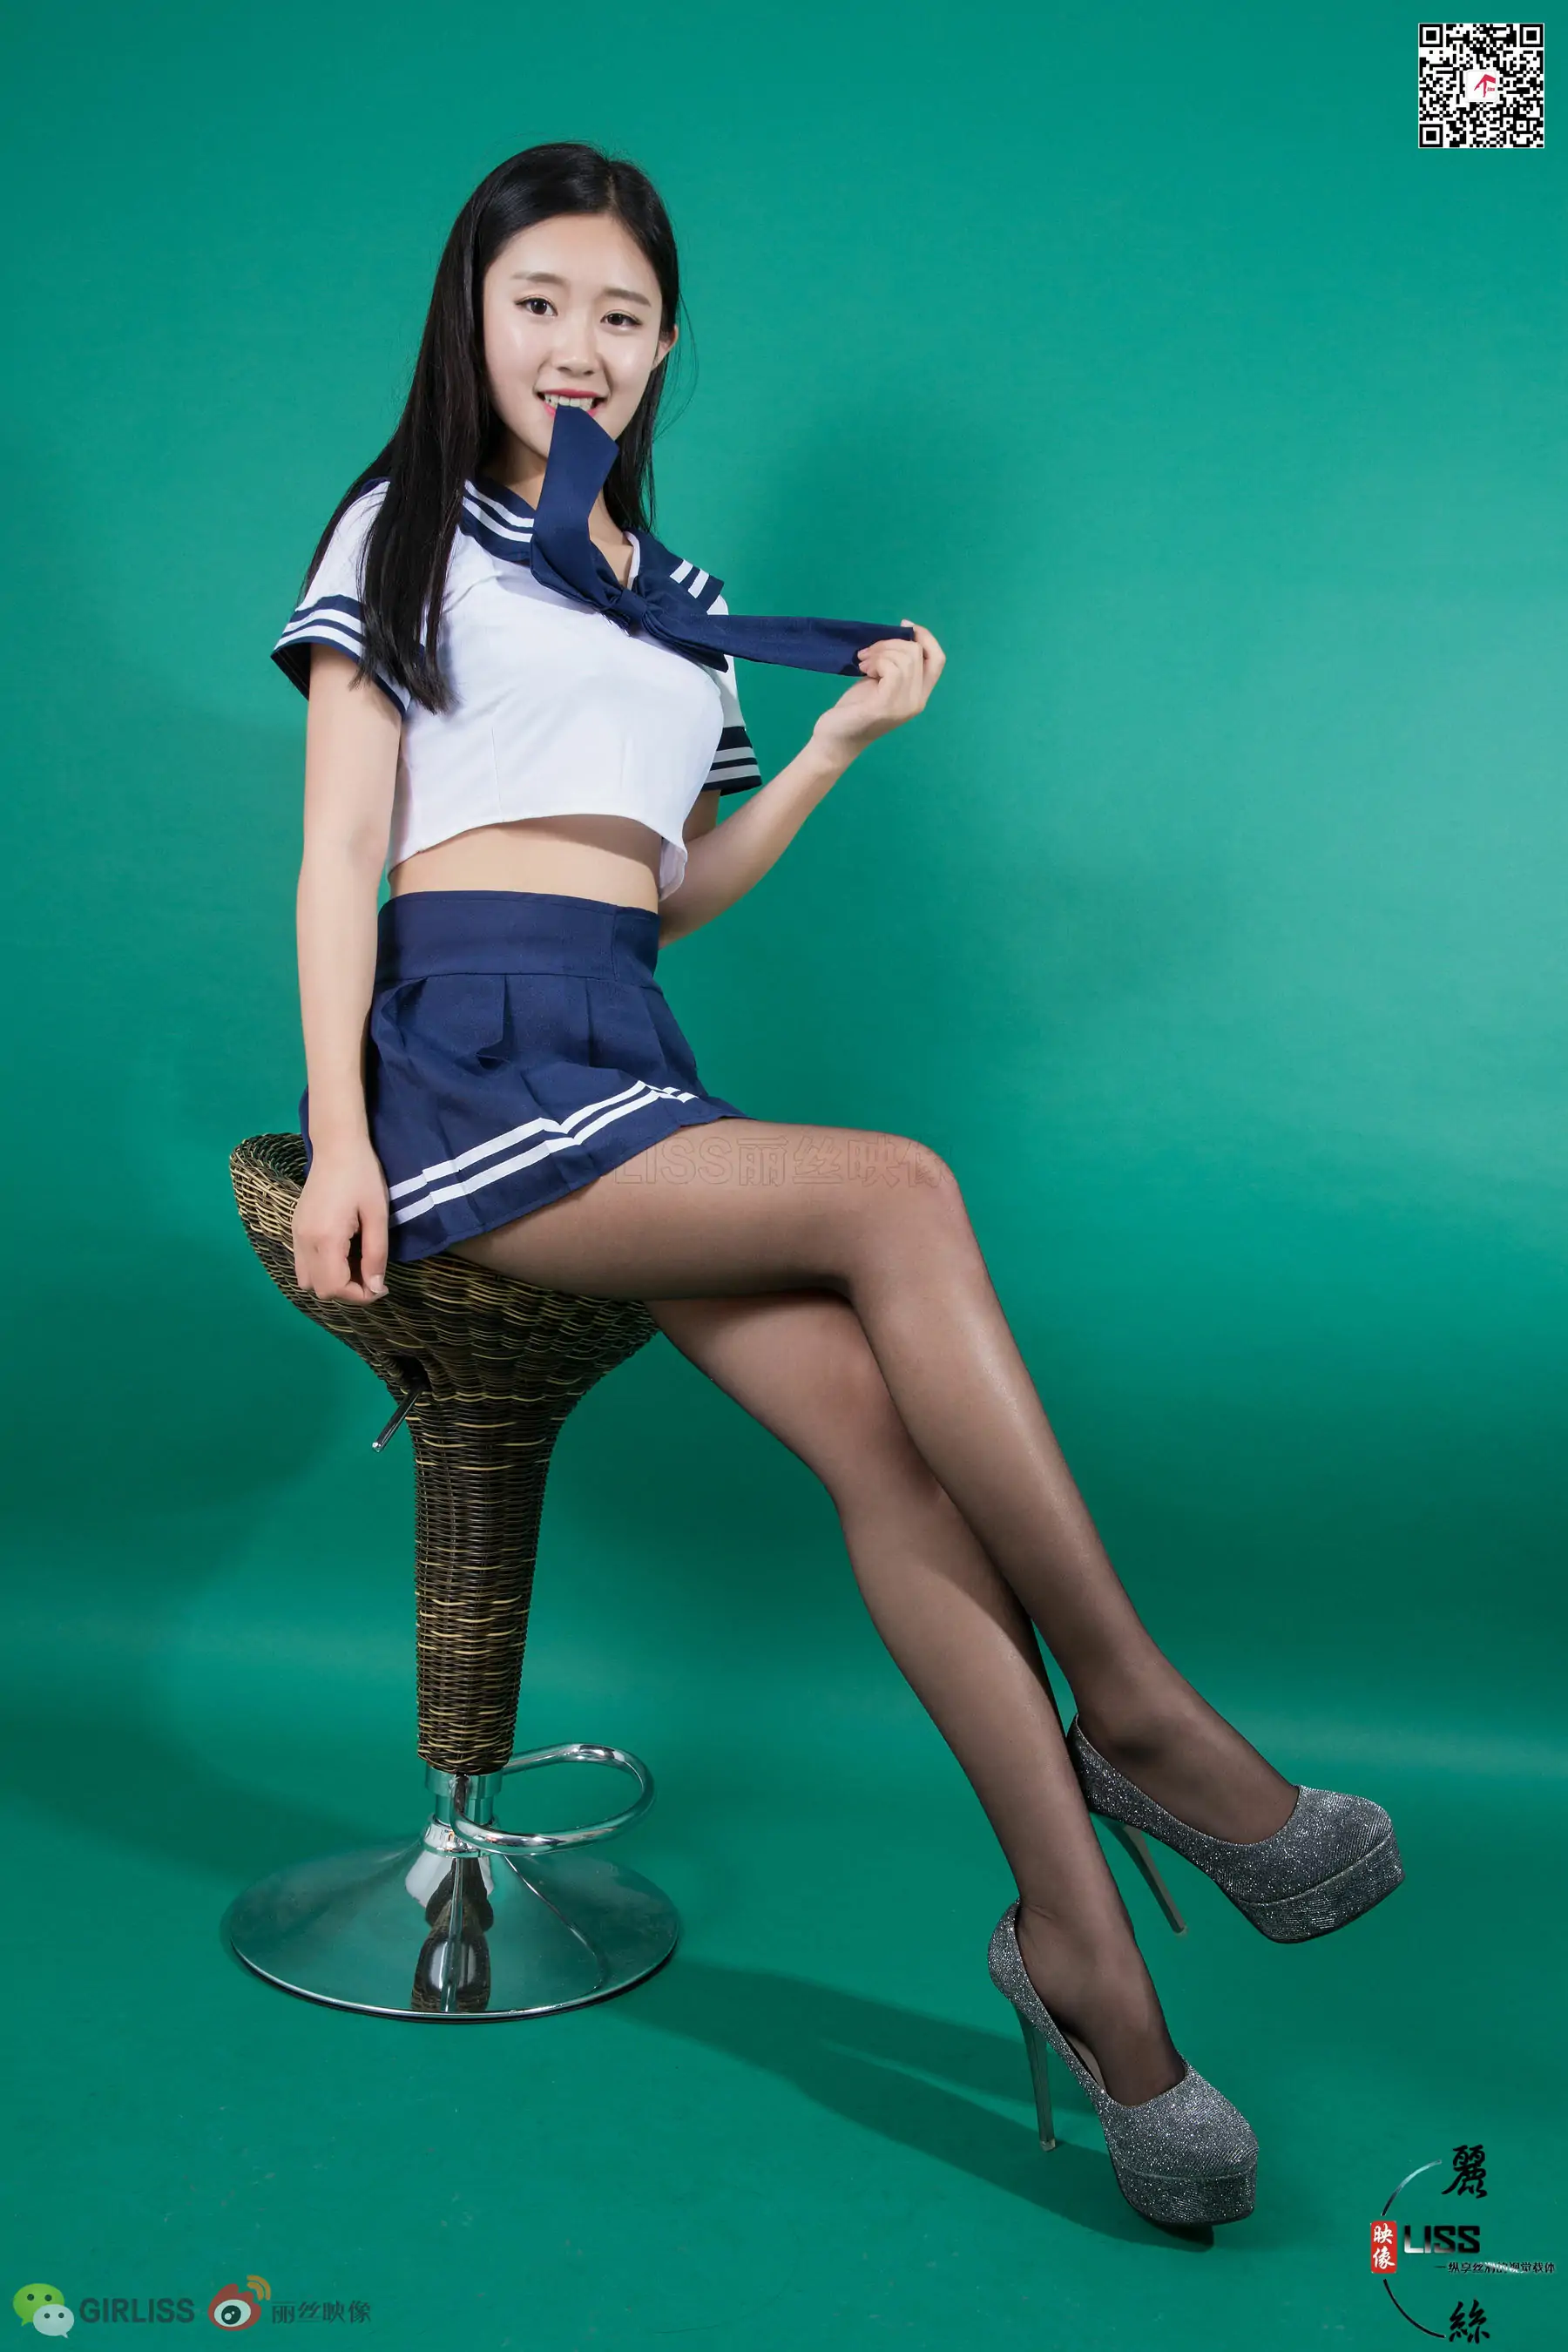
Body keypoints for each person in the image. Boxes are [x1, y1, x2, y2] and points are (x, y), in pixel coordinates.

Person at [278, 139, 1402, 2231]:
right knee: (899, 1190)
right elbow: (349, 846)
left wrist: (822, 754)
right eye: (540, 303)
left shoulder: (674, 601)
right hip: (464, 1070)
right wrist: (343, 1134)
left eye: (621, 313)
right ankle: (1145, 1714)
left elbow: (660, 895)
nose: (579, 345)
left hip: (623, 1053)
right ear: (472, 318)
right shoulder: (405, 527)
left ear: (665, 344)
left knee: (891, 1459)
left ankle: (1092, 1976)